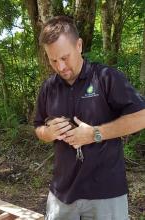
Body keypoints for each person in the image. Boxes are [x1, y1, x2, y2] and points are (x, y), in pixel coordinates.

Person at [34, 16, 145, 220]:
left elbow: (141, 116)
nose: (60, 67)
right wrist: (48, 133)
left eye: (65, 57)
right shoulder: (48, 88)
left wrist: (95, 133)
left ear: (79, 45)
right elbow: (38, 127)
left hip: (106, 194)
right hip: (61, 195)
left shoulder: (106, 77)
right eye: (53, 60)